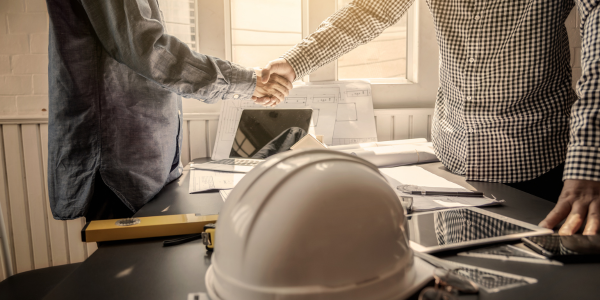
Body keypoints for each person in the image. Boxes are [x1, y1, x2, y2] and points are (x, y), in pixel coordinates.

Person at [257, 0, 600, 235]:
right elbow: (371, 9)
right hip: (453, 160)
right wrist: (295, 62)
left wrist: (588, 165)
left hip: (539, 161)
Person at [46, 0, 292, 221]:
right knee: (129, 264)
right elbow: (147, 48)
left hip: (144, 156)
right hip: (119, 160)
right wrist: (247, 80)